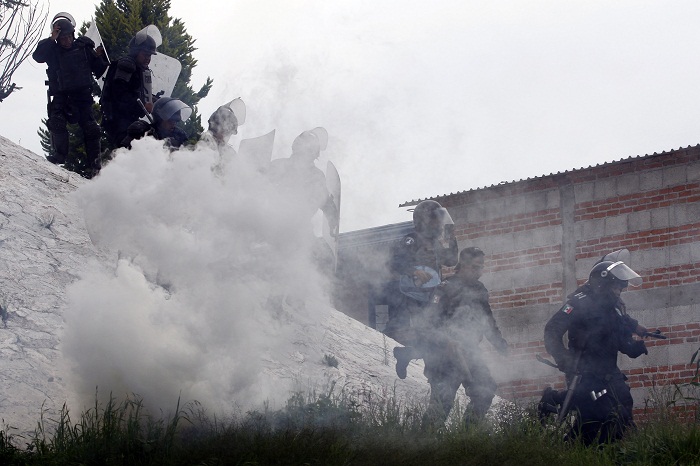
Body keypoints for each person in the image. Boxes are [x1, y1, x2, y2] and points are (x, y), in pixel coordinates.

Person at [541, 253, 649, 444]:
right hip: (584, 372)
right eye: (616, 287)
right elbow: (552, 330)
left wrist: (634, 347)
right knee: (594, 420)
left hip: (610, 372)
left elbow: (619, 338)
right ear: (604, 284)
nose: (620, 292)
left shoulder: (613, 308)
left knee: (622, 412)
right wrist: (563, 359)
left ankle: (600, 453)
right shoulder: (578, 302)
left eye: (621, 289)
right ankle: (558, 411)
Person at [420, 247, 509, 427]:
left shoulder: (479, 289)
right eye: (476, 267)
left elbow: (487, 320)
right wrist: (446, 340)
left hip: (469, 352)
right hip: (443, 356)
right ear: (464, 266)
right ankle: (422, 445)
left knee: (485, 390)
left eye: (481, 267)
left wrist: (500, 344)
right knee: (441, 405)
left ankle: (467, 436)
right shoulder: (444, 288)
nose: (480, 272)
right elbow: (428, 323)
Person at [32, 12, 108, 177]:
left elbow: (100, 69)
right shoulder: (52, 49)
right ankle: (60, 155)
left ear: (73, 35)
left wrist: (100, 57)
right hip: (62, 96)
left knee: (92, 129)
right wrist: (52, 38)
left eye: (68, 37)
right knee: (57, 122)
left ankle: (95, 167)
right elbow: (37, 56)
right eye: (63, 38)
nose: (66, 41)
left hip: (82, 97)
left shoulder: (84, 47)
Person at [384, 199, 458, 348]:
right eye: (436, 221)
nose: (439, 225)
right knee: (409, 336)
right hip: (410, 299)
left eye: (440, 221)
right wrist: (414, 271)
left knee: (433, 336)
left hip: (430, 299)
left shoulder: (436, 244)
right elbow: (394, 262)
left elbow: (451, 260)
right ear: (424, 221)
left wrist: (450, 234)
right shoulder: (411, 240)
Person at [100, 26, 159, 146]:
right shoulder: (127, 66)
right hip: (118, 118)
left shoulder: (140, 70)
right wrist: (143, 105)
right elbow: (119, 95)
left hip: (128, 118)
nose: (148, 58)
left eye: (150, 56)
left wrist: (157, 102)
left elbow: (137, 93)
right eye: (145, 54)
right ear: (136, 51)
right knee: (127, 147)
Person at [120, 97, 191, 150]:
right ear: (160, 118)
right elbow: (122, 153)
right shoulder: (143, 131)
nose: (173, 123)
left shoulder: (179, 136)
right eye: (170, 120)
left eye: (175, 121)